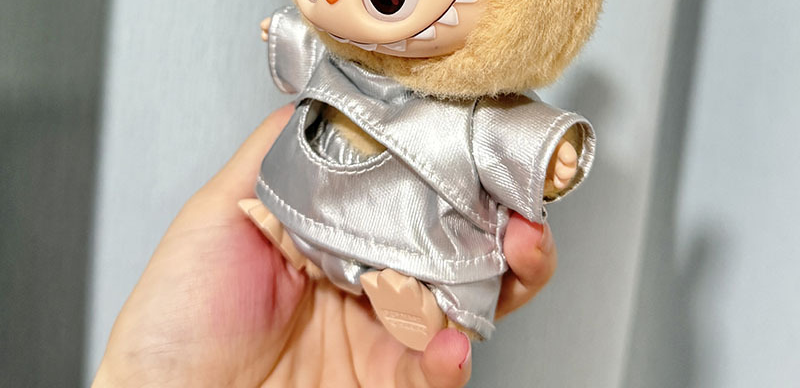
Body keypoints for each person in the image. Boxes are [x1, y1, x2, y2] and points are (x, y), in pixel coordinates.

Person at [93, 105, 559, 388]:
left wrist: (548, 154)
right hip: (327, 213)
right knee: (304, 195)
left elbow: (513, 131)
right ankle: (300, 241)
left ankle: (430, 308)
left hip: (417, 240)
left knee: (450, 276)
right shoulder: (344, 69)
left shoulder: (469, 112)